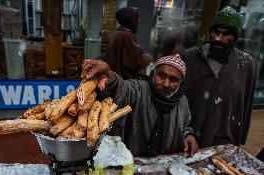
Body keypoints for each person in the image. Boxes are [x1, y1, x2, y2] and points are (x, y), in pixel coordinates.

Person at [81, 54, 199, 157]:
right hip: (132, 164)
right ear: (153, 73)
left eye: (173, 79)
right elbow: (122, 88)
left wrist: (188, 135)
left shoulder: (182, 101)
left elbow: (186, 125)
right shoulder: (138, 90)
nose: (166, 84)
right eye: (161, 75)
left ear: (181, 82)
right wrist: (110, 77)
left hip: (166, 166)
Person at [181, 6, 258, 148]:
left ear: (235, 37)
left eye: (226, 34)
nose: (218, 38)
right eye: (216, 32)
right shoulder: (190, 58)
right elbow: (178, 97)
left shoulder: (247, 64)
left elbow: (246, 102)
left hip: (224, 140)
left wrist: (240, 136)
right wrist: (183, 131)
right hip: (189, 138)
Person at [103, 7, 152, 79]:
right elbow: (138, 62)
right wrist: (149, 57)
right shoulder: (126, 36)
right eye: (137, 18)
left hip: (114, 79)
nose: (138, 21)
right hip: (122, 82)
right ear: (131, 20)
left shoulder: (117, 34)